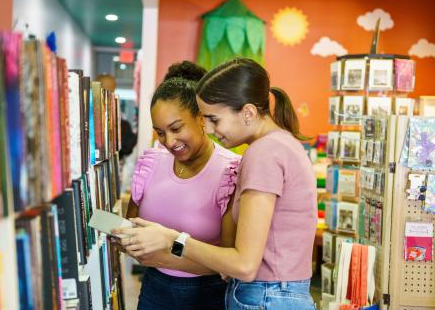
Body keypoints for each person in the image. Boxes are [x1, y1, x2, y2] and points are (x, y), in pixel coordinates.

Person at [115, 58, 318, 310]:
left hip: (266, 296)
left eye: (214, 119)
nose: (209, 128)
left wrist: (171, 240)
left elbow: (243, 264)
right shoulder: (280, 145)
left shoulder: (263, 153)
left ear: (248, 112)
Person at [123, 61, 241, 310]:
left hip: (208, 295)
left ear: (200, 118)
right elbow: (131, 227)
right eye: (160, 132)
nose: (169, 141)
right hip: (154, 288)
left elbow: (232, 262)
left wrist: (166, 252)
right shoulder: (151, 162)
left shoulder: (230, 171)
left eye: (176, 128)